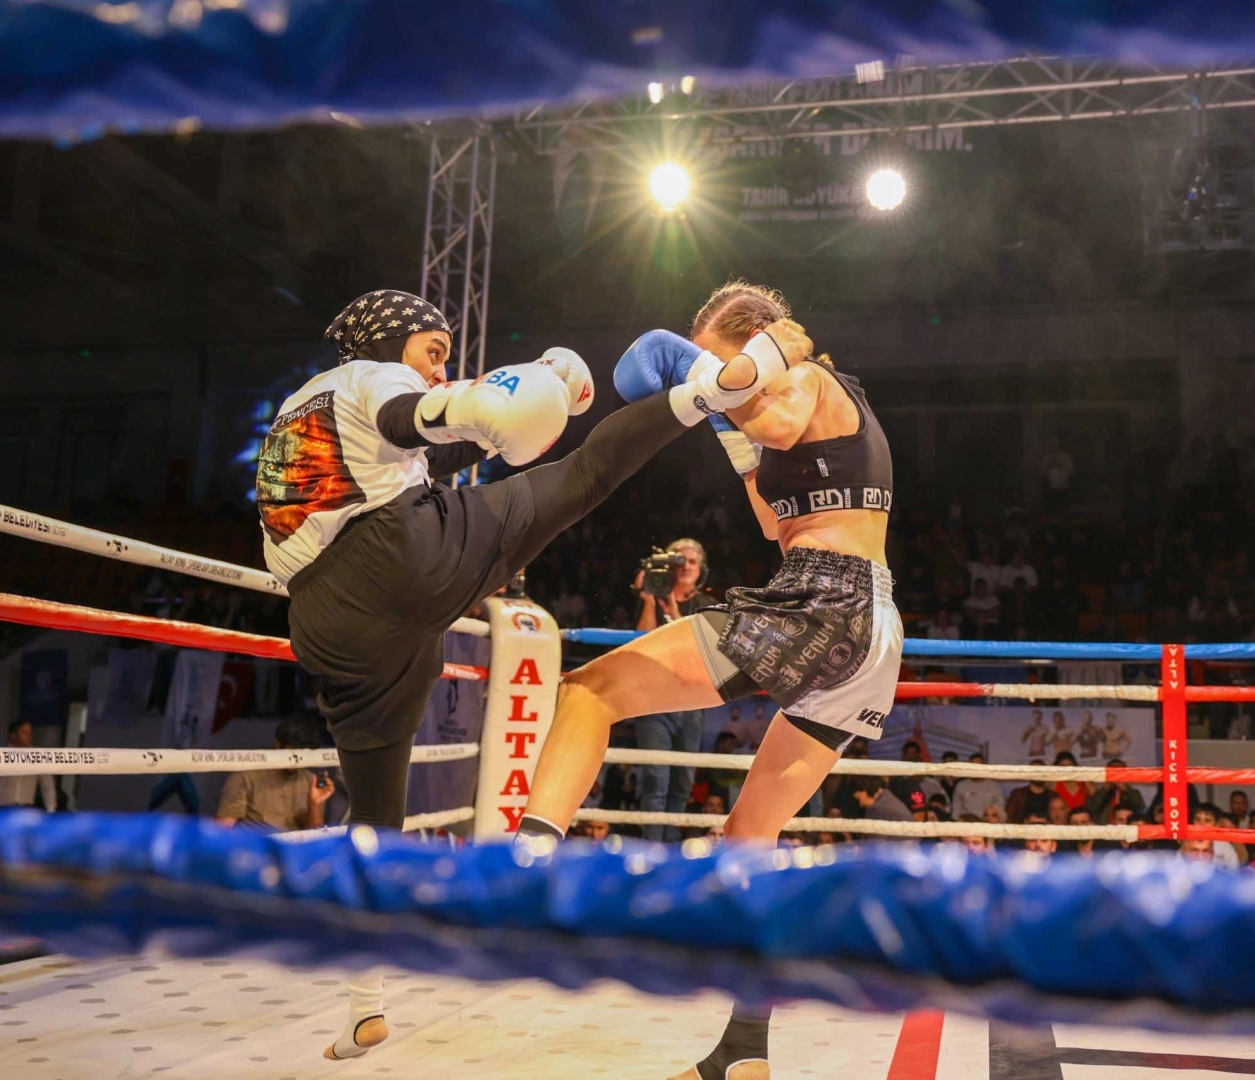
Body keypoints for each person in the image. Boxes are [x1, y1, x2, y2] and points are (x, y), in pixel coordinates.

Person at [259, 289, 808, 1062]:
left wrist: (509, 412)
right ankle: (707, 393)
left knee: (374, 812)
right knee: (583, 476)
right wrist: (531, 382)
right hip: (393, 561)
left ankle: (362, 1005)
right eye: (433, 349)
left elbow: (438, 450)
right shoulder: (370, 378)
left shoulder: (297, 411)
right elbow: (416, 417)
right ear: (390, 339)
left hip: (324, 622)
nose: (439, 365)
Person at [515, 281, 900, 1080]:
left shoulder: (808, 377)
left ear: (754, 337)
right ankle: (743, 1051)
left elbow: (779, 417)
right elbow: (770, 520)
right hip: (867, 624)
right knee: (748, 840)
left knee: (587, 691)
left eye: (717, 357)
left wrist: (720, 384)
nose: (711, 374)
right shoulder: (781, 407)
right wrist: (724, 417)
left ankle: (520, 877)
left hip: (825, 602)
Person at [632, 537, 716, 841]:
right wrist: (648, 600)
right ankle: (652, 851)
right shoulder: (652, 595)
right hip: (654, 702)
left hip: (691, 704)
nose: (686, 566)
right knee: (655, 781)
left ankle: (669, 849)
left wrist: (673, 609)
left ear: (701, 570)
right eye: (680, 560)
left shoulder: (706, 605)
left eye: (692, 561)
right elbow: (641, 641)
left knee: (682, 783)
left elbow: (694, 645)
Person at [213, 717, 336, 831]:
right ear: (278, 745)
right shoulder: (245, 777)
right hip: (255, 846)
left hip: (292, 846)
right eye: (292, 754)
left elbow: (314, 835)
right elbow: (222, 831)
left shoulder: (310, 781)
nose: (297, 762)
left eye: (303, 756)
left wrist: (314, 805)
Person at [0, 720, 56, 811]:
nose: (29, 736)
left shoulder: (38, 757)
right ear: (13, 735)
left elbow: (48, 787)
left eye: (30, 733)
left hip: (25, 809)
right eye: (24, 733)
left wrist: (51, 810)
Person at [950, 752, 1006, 820]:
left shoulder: (994, 786)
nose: (975, 769)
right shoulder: (961, 786)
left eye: (978, 766)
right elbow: (956, 811)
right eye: (973, 766)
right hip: (966, 824)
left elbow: (1000, 811)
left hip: (987, 824)